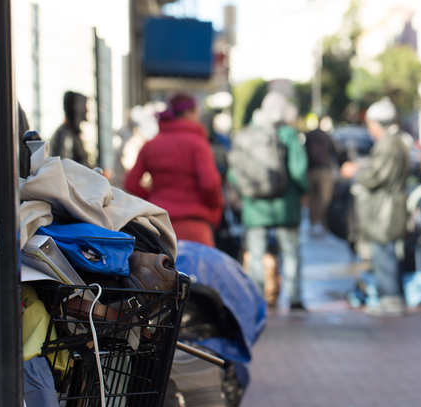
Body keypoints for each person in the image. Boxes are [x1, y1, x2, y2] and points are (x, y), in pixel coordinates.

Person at [229, 91, 308, 310]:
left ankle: (257, 299)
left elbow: (234, 172)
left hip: (255, 204)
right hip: (286, 204)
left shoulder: (246, 134)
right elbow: (299, 169)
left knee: (256, 255)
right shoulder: (288, 134)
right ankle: (294, 298)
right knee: (290, 253)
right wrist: (303, 191)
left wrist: (245, 191)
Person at [124, 93, 223, 247]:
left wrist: (153, 199)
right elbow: (210, 184)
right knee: (199, 270)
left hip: (158, 226)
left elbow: (131, 183)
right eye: (197, 112)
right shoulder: (198, 144)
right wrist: (214, 210)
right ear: (189, 113)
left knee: (161, 269)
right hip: (195, 226)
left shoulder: (151, 145)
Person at [341, 97, 409, 316]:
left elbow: (378, 174)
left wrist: (356, 172)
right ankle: (388, 297)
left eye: (371, 125)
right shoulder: (393, 142)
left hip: (384, 210)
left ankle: (390, 299)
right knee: (383, 253)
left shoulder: (389, 144)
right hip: (385, 207)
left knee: (383, 253)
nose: (370, 130)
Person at [304, 116, 337, 236]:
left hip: (311, 170)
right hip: (323, 170)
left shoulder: (308, 136)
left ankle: (314, 223)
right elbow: (335, 151)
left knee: (313, 198)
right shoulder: (326, 136)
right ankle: (321, 222)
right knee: (324, 198)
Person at [50, 91, 91, 167]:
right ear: (75, 108)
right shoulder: (64, 136)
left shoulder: (70, 134)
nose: (86, 110)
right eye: (84, 106)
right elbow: (66, 169)